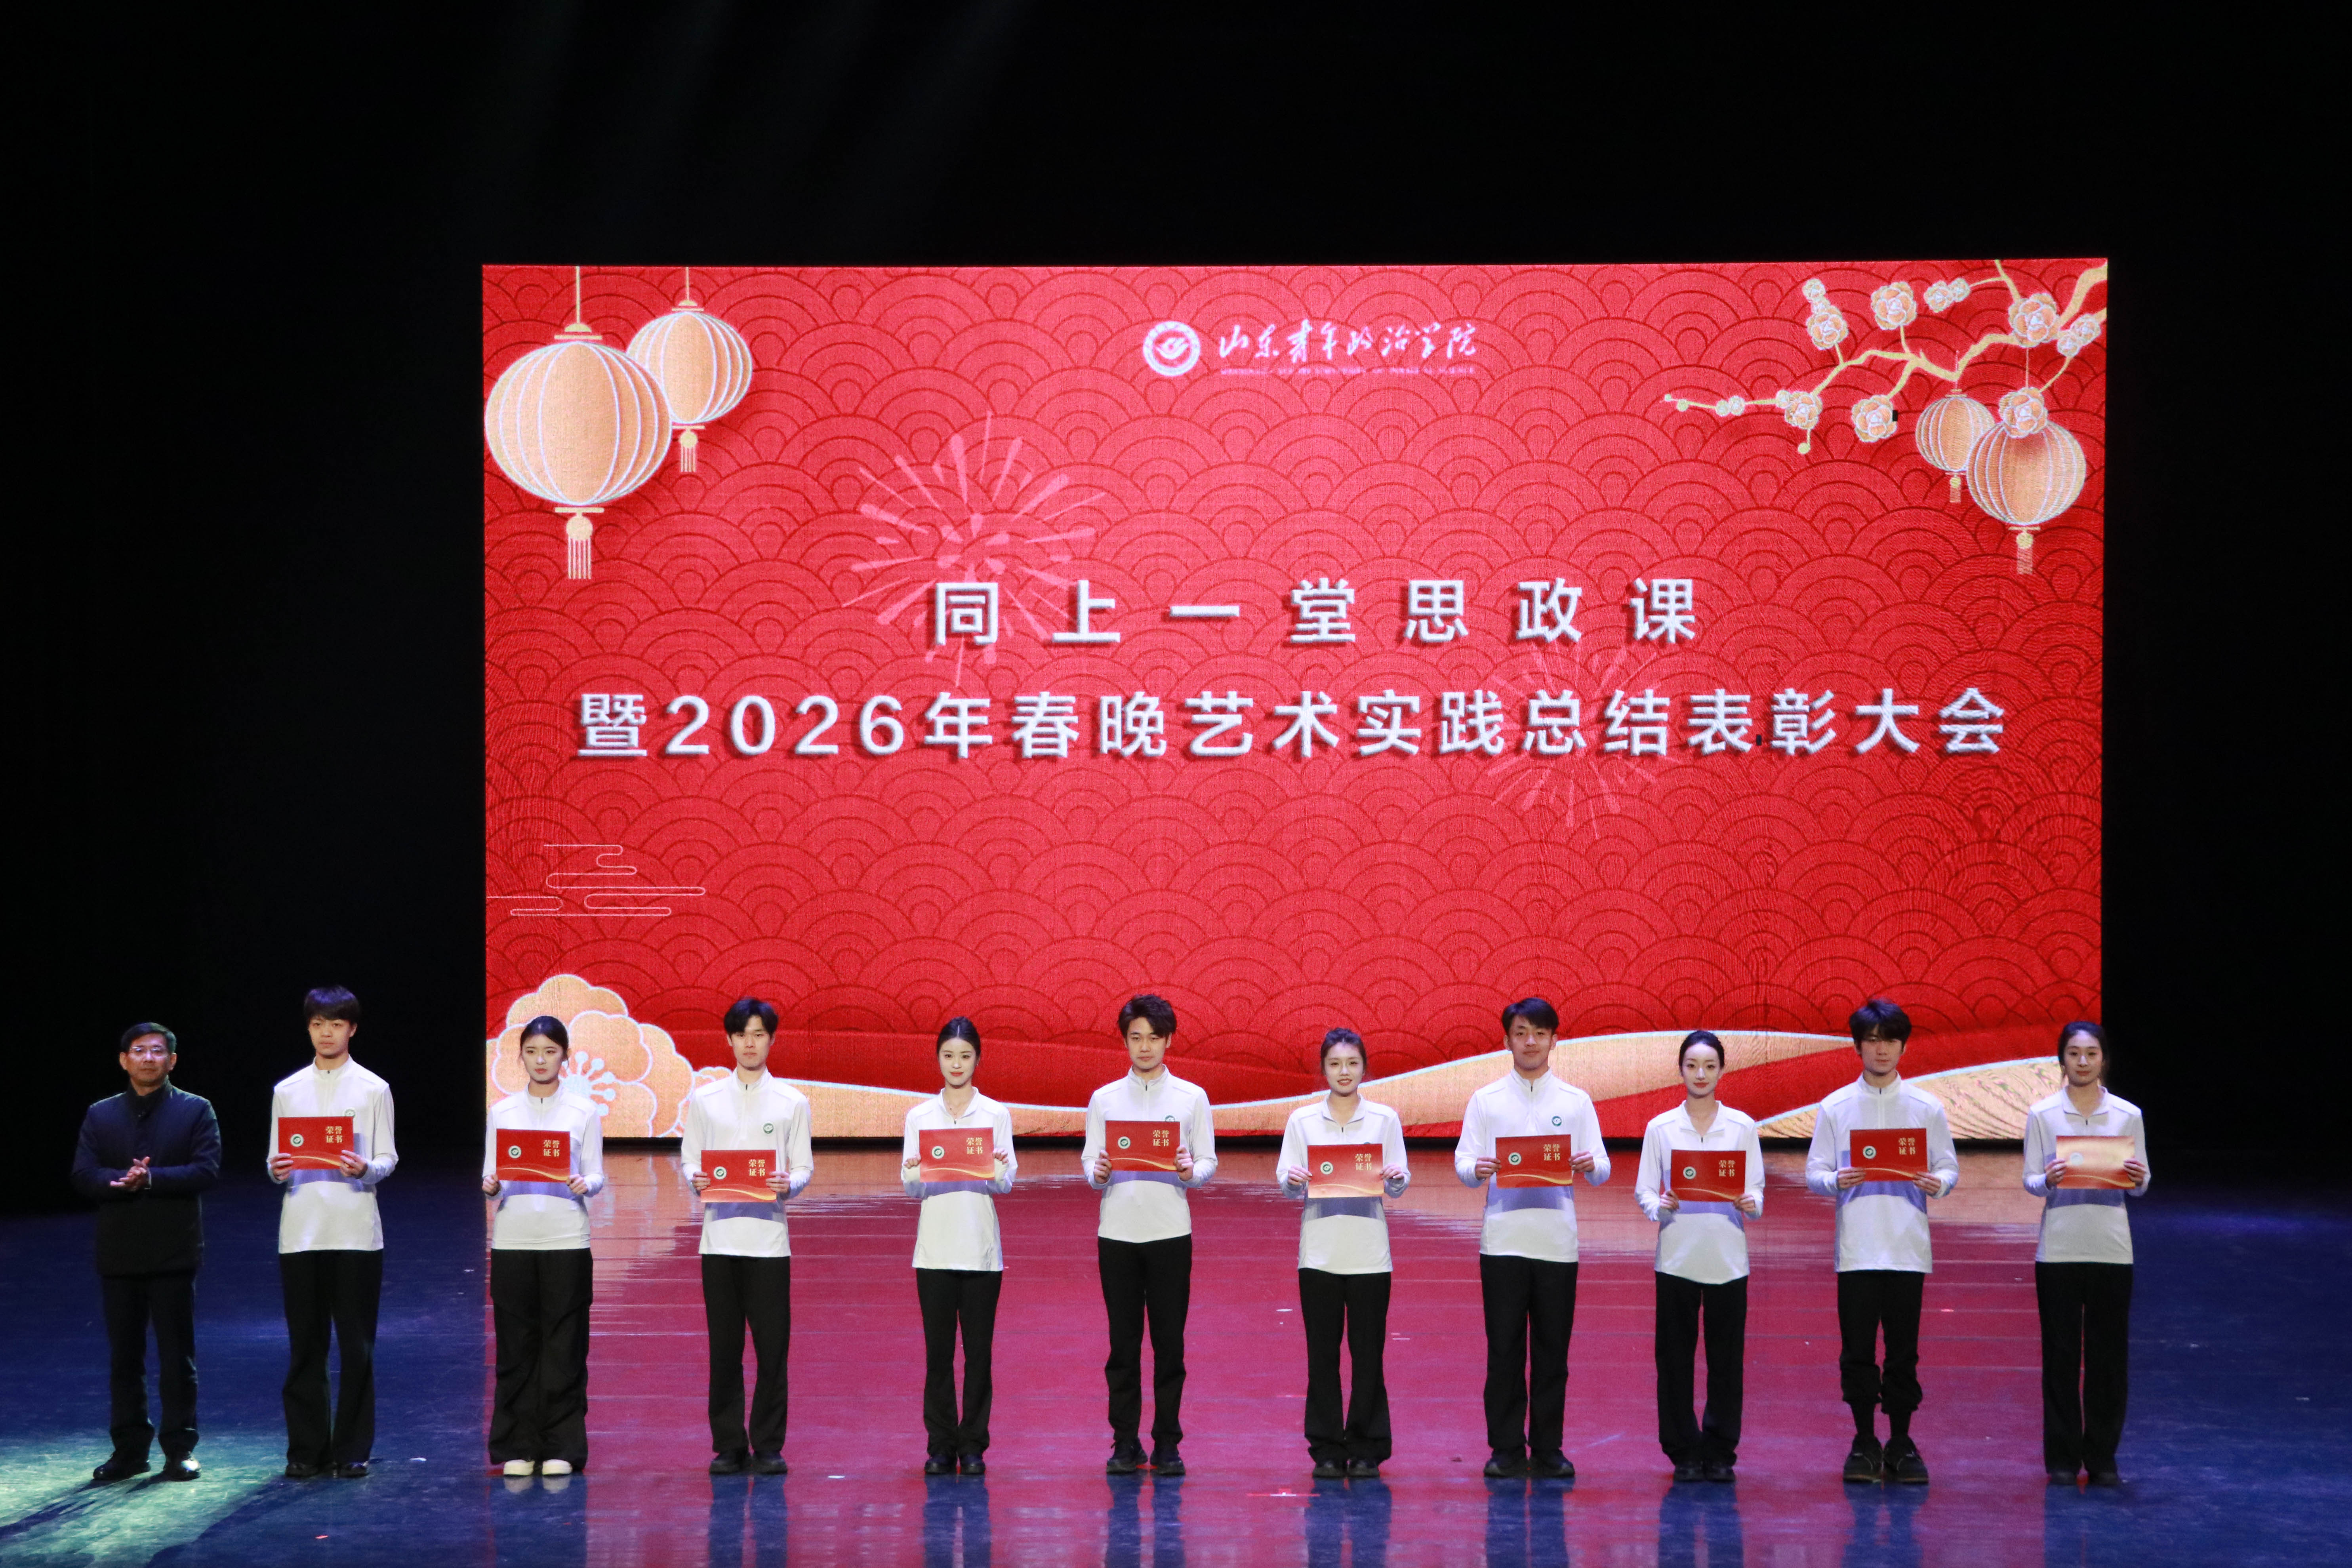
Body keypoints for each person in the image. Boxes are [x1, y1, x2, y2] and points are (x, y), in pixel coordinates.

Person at [1803, 998, 1959, 1485]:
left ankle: (1901, 1440)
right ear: (1858, 1046)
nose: (1881, 1049)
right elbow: (1814, 1171)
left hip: (1907, 1247)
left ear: (1903, 1046)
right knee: (1857, 1351)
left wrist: (1939, 1182)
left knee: (1903, 1352)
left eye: (1890, 1039)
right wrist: (1835, 1180)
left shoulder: (1925, 1107)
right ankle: (1864, 1439)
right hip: (1857, 1249)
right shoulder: (1836, 1106)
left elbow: (1948, 1165)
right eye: (1872, 1040)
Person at [1452, 997, 1610, 1480]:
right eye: (1521, 1032)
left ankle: (1547, 1448)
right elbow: (1463, 1163)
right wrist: (1477, 1169)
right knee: (1503, 1351)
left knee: (1551, 1352)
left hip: (1556, 1244)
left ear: (1554, 1040)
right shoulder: (1486, 1099)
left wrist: (1590, 1165)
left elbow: (1602, 1167)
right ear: (1507, 1040)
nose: (1530, 1042)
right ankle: (1505, 1448)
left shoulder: (1576, 1101)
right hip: (1502, 1243)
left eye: (1540, 1033)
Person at [71, 1022, 222, 1483]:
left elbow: (207, 1169)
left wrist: (152, 1178)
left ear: (172, 1060)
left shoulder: (196, 1109)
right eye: (139, 1050)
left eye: (158, 1051)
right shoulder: (101, 1113)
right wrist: (117, 1180)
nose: (149, 1058)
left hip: (174, 1250)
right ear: (124, 1060)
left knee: (177, 1358)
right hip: (119, 1252)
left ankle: (180, 1449)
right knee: (125, 1358)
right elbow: (83, 1173)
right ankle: (129, 1450)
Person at [1082, 993, 1218, 1477]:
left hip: (1169, 1234)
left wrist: (1190, 1171)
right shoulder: (1104, 1098)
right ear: (1125, 1040)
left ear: (1169, 1040)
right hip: (1117, 1234)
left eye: (1154, 1037)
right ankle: (1125, 1442)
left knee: (1169, 1344)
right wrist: (1098, 1173)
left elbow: (1207, 1160)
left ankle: (1167, 1443)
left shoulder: (1190, 1097)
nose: (1144, 1046)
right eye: (1136, 1037)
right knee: (1122, 1345)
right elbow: (1090, 1163)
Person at [268, 985, 397, 1480]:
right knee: (305, 1345)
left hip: (355, 1232)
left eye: (337, 1023)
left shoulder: (373, 1088)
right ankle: (306, 1448)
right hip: (301, 1231)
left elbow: (387, 1157)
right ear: (308, 1028)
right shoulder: (287, 1090)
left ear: (352, 1029)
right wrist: (276, 1169)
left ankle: (352, 1448)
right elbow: (275, 1158)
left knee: (356, 1346)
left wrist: (367, 1168)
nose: (327, 1032)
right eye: (318, 1023)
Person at [682, 997, 814, 1475]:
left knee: (772, 1348)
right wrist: (696, 1178)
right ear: (730, 1039)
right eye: (742, 1034)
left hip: (768, 1242)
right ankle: (728, 1444)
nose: (750, 1043)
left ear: (772, 1039)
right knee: (724, 1349)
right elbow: (690, 1159)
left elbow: (804, 1166)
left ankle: (769, 1444)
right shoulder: (706, 1099)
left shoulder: (792, 1102)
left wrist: (788, 1183)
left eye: (759, 1034)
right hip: (719, 1240)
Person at [1277, 1027, 1409, 1479]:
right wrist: (1293, 1180)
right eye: (1335, 1064)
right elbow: (1286, 1182)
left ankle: (1368, 1446)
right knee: (1322, 1356)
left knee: (1368, 1355)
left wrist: (1396, 1178)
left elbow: (1398, 1182)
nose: (1344, 1071)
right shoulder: (1302, 1121)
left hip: (1370, 1254)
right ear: (1324, 1069)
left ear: (1364, 1067)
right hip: (1319, 1255)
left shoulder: (1384, 1119)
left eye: (1352, 1063)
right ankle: (1328, 1448)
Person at [1634, 1030, 1764, 1483]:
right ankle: (1683, 1450)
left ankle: (1721, 1449)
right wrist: (1659, 1205)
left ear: (1722, 1070)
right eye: (1692, 1065)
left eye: (1710, 1065)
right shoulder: (1661, 1127)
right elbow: (1644, 1190)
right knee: (1674, 1360)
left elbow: (1756, 1190)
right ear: (1680, 1070)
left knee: (1726, 1361)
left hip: (1728, 1259)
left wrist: (1750, 1202)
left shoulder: (1742, 1127)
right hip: (1677, 1258)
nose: (1701, 1074)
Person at [2022, 1021, 2148, 1488]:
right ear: (2062, 1059)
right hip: (2058, 1249)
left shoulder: (2127, 1114)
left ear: (2103, 1059)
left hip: (2111, 1249)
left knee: (2107, 1359)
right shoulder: (2042, 1113)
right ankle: (2061, 1456)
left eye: (2091, 1053)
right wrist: (2048, 1179)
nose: (2082, 1061)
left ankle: (2101, 1456)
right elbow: (2030, 1180)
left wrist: (2138, 1178)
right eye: (2074, 1053)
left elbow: (2140, 1183)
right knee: (2059, 1356)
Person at [482, 1015, 606, 1477]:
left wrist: (586, 1183)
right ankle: (518, 1444)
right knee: (516, 1343)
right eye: (532, 1051)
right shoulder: (503, 1112)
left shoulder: (583, 1111)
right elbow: (491, 1175)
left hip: (566, 1238)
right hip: (513, 1238)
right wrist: (491, 1185)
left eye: (550, 1051)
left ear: (565, 1057)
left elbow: (596, 1173)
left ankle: (562, 1445)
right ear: (520, 1056)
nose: (541, 1060)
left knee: (564, 1345)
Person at [901, 1017, 1017, 1475]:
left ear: (977, 1059)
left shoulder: (995, 1114)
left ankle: (972, 1445)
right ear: (937, 1059)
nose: (956, 1064)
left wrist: (997, 1166)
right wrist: (914, 1169)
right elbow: (912, 1188)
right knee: (938, 1355)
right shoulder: (919, 1117)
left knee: (978, 1354)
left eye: (965, 1056)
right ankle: (939, 1444)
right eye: (949, 1055)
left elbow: (1005, 1183)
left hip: (981, 1252)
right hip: (933, 1251)